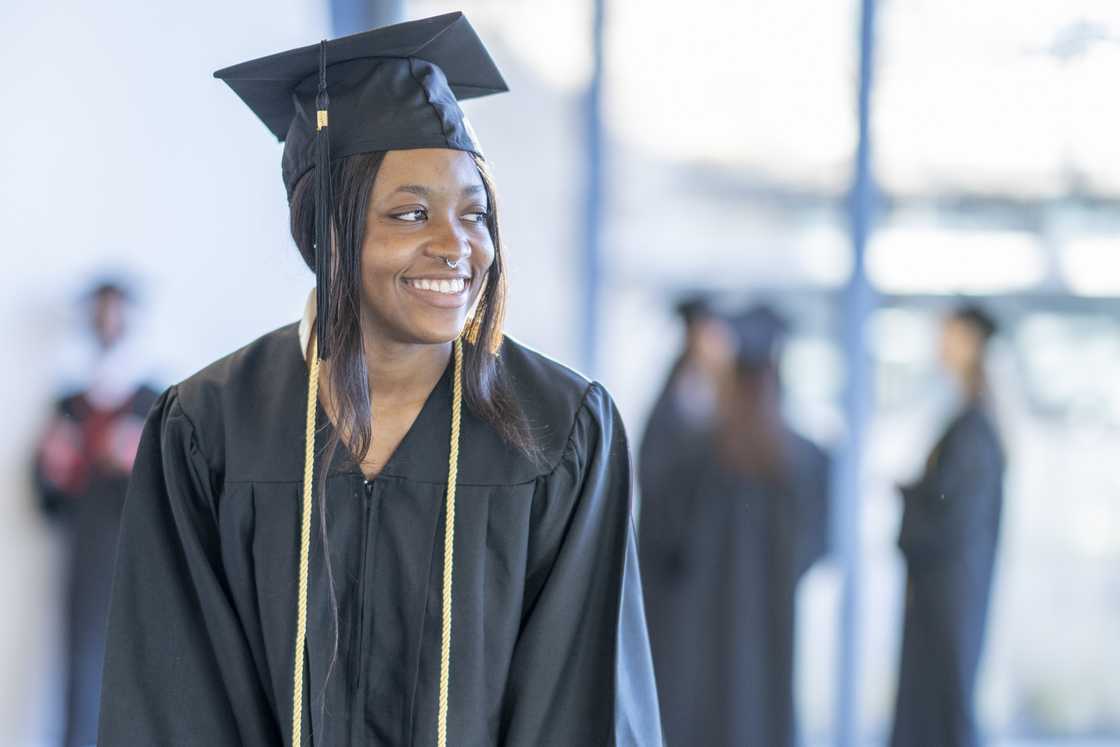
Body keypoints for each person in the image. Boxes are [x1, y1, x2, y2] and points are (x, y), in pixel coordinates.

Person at [97, 13, 661, 746]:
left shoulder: (559, 428)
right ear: (328, 227)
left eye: (475, 213)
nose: (456, 246)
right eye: (411, 212)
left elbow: (583, 706)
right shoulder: (209, 429)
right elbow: (170, 703)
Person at [640, 304, 830, 746]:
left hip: (699, 627)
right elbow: (817, 546)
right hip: (771, 624)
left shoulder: (694, 456)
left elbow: (660, 537)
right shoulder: (805, 460)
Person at [32, 279, 159, 747]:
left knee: (136, 668)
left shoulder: (155, 400)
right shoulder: (69, 403)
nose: (108, 322)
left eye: (115, 312)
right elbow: (45, 497)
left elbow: (177, 491)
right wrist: (53, 468)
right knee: (79, 670)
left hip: (136, 556)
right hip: (84, 553)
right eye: (100, 313)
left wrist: (137, 459)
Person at [890, 304, 1006, 747]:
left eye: (950, 334)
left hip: (949, 593)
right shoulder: (969, 420)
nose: (940, 344)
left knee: (944, 703)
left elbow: (951, 513)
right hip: (947, 590)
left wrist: (911, 496)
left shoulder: (974, 427)